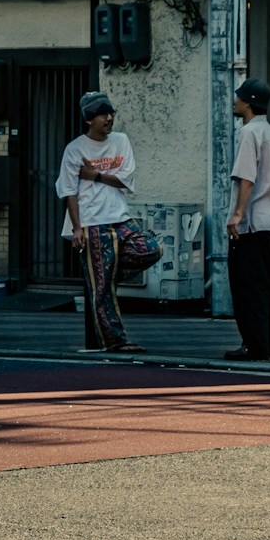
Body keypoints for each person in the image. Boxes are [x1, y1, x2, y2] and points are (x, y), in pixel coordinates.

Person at [56, 91, 160, 353]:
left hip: (120, 217)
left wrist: (96, 175)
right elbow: (69, 191)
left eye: (111, 113)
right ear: (89, 119)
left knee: (150, 248)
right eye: (103, 114)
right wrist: (77, 227)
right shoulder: (75, 149)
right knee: (101, 289)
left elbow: (126, 179)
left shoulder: (121, 141)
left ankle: (110, 271)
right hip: (92, 222)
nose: (109, 118)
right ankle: (115, 341)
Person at [225, 77, 270, 361]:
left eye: (239, 97)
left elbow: (246, 177)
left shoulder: (248, 133)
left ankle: (254, 344)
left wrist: (237, 214)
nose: (235, 101)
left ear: (249, 102)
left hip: (252, 222)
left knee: (248, 286)